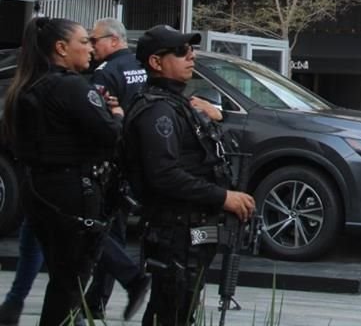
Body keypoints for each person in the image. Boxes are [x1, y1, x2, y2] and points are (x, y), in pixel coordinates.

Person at [124, 25, 255, 326]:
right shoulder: (158, 112)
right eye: (181, 51)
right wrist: (224, 198)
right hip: (174, 230)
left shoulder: (179, 105)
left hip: (193, 230)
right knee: (170, 310)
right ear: (156, 62)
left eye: (191, 50)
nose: (191, 56)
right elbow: (164, 175)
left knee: (184, 305)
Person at [1, 17, 123, 326]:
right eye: (83, 42)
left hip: (40, 190)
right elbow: (111, 136)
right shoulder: (69, 86)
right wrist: (117, 115)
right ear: (61, 48)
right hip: (71, 192)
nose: (90, 49)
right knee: (70, 283)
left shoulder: (28, 85)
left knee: (62, 280)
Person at [84, 17, 151, 320]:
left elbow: (93, 119)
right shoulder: (143, 66)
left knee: (94, 230)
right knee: (115, 230)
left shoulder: (106, 72)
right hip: (136, 159)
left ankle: (102, 294)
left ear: (113, 40)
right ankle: (96, 299)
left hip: (108, 161)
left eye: (94, 40)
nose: (91, 45)